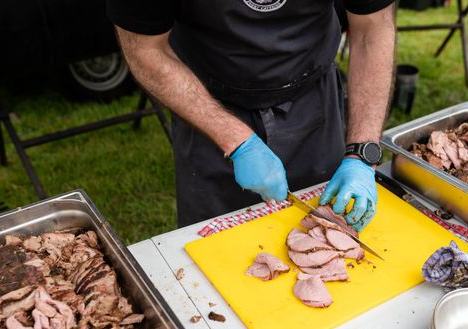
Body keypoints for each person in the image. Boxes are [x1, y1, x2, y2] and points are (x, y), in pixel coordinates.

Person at [106, 0, 396, 231]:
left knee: (326, 236)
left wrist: (361, 153)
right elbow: (144, 48)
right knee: (218, 259)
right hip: (205, 105)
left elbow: (373, 28)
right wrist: (235, 139)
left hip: (314, 102)